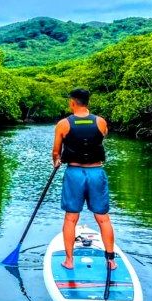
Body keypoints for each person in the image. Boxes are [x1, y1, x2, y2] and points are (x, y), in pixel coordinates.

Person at [51, 88, 116, 270]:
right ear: (88, 102)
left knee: (71, 218)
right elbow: (99, 139)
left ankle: (69, 261)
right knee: (103, 218)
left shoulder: (63, 124)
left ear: (72, 102)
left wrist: (56, 161)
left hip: (75, 173)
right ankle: (111, 261)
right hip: (96, 172)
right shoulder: (101, 122)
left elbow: (56, 151)